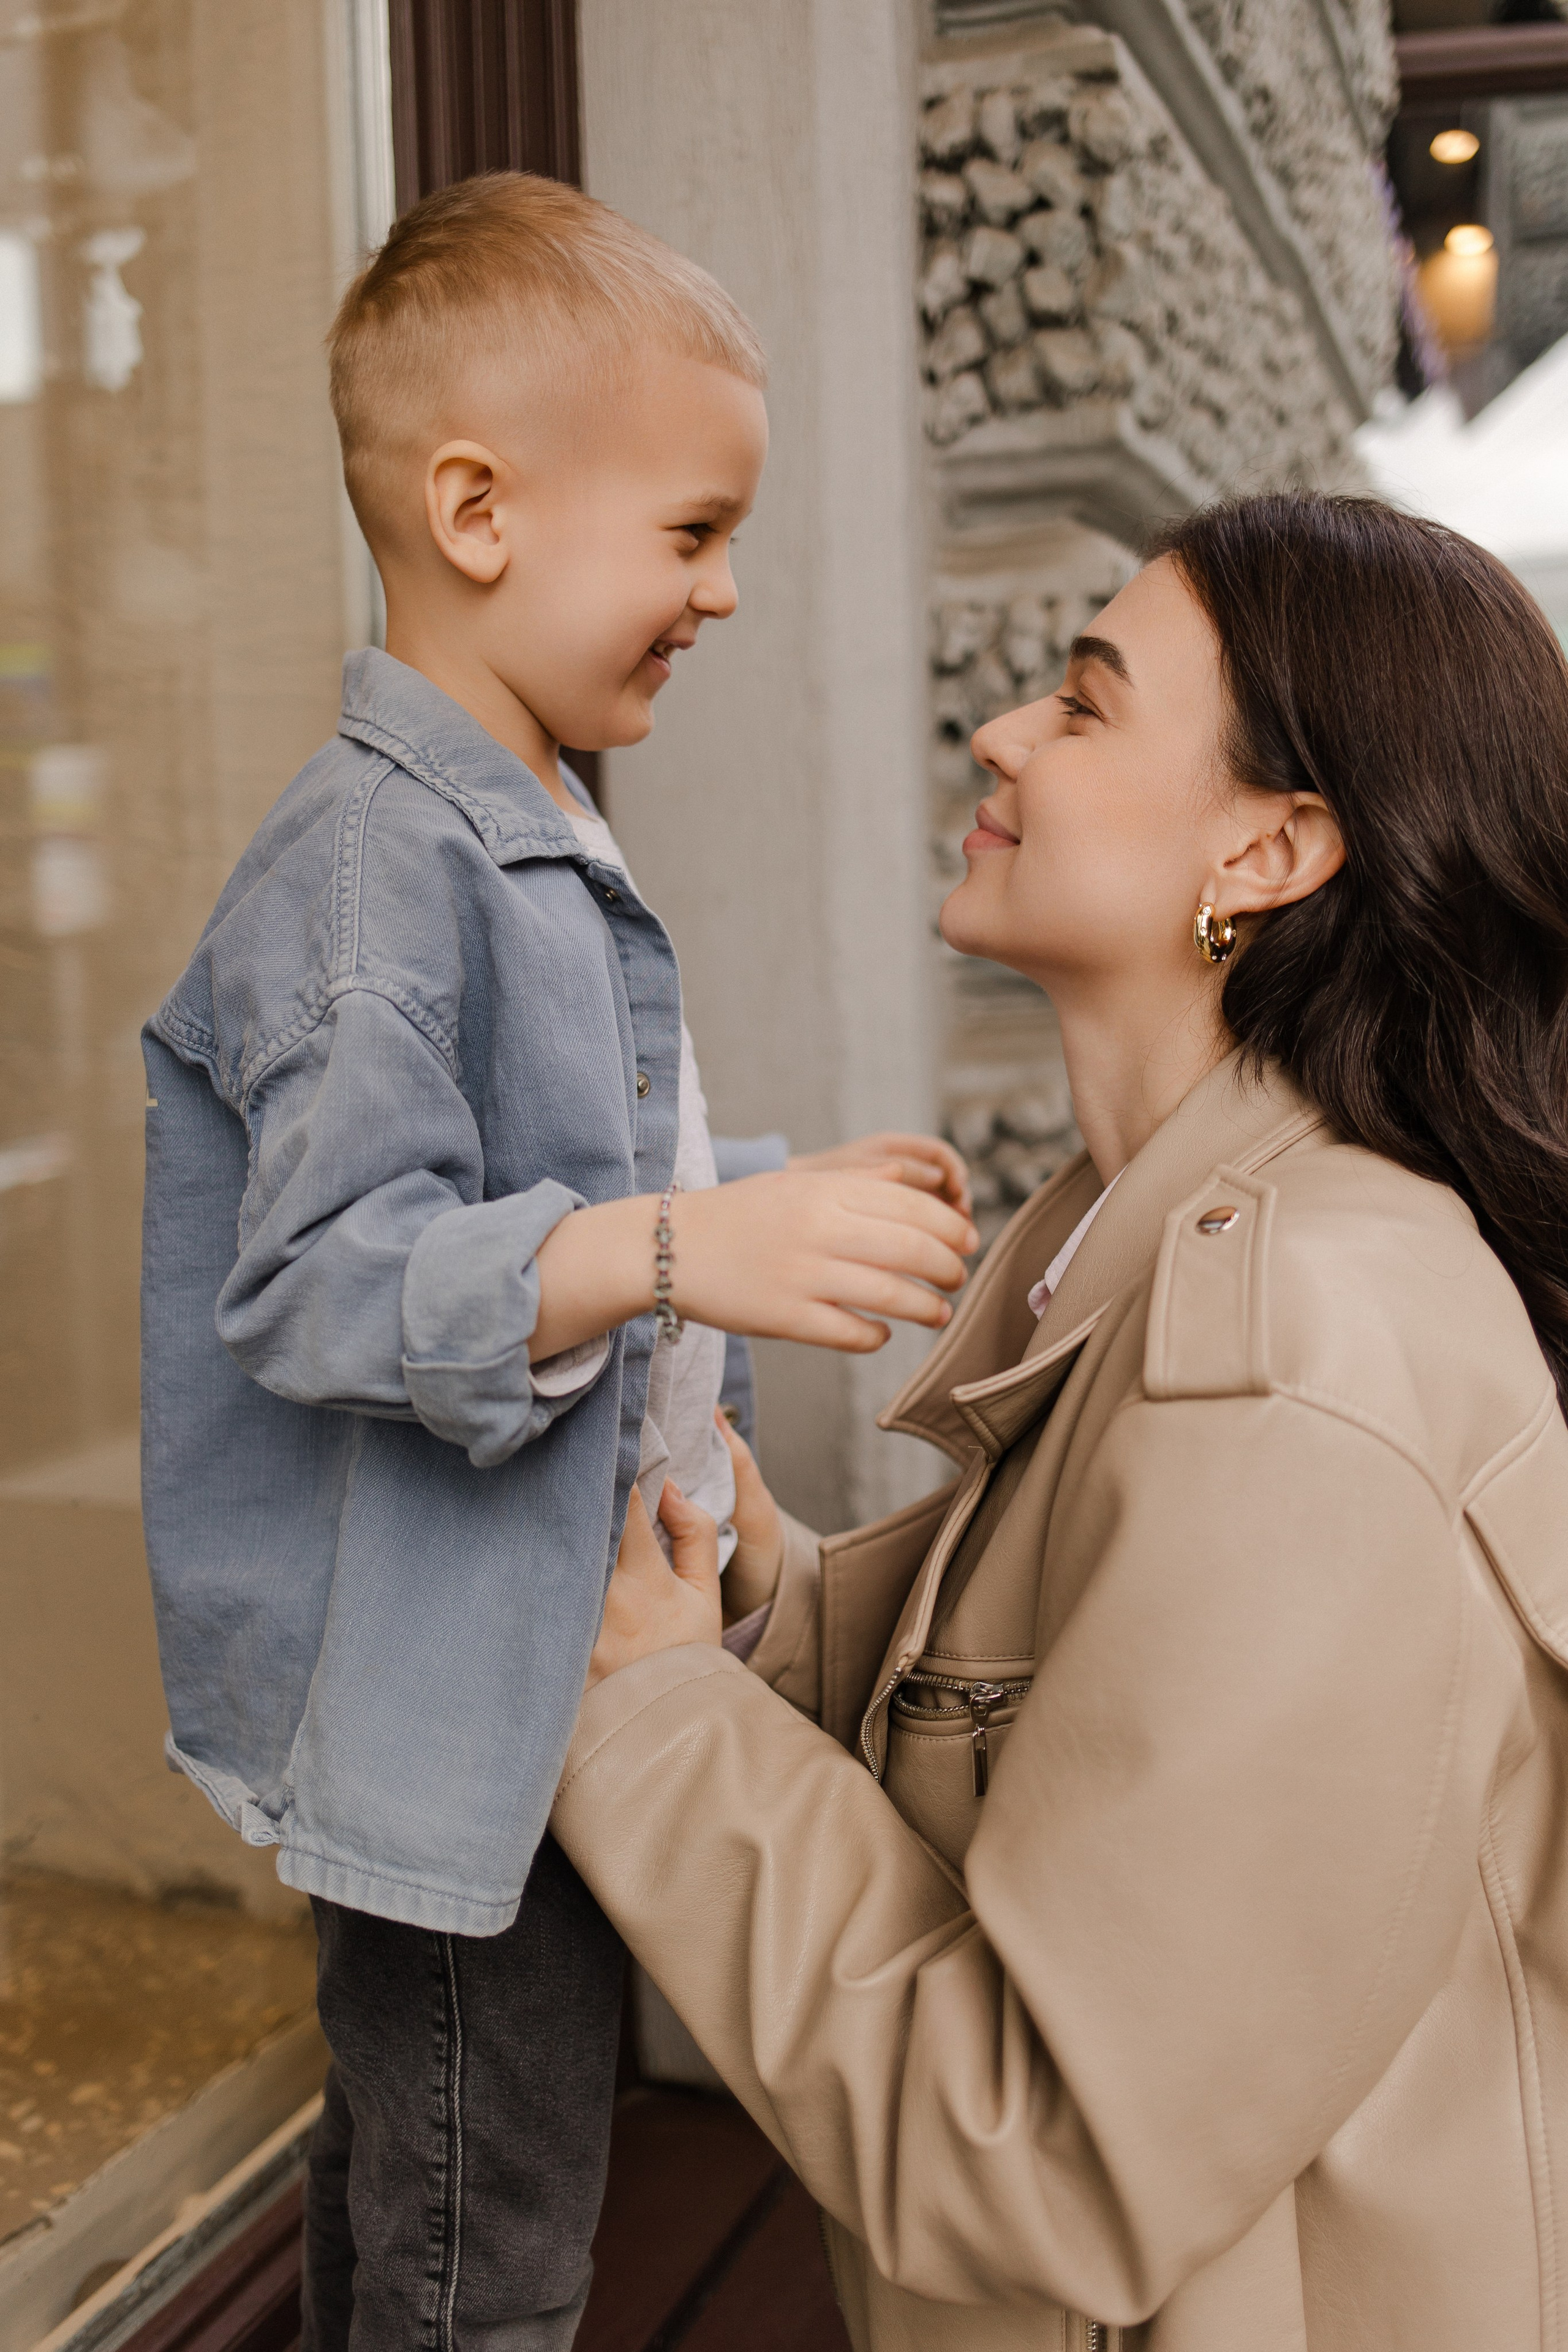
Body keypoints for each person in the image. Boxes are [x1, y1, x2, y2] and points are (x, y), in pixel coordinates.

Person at [552, 492, 1568, 2351]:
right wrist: (778, 1606)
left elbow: (1043, 2156)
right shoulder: (1178, 1255)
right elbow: (1080, 1725)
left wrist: (656, 1722)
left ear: (1268, 848)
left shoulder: (1297, 1367)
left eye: (1087, 704)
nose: (1004, 733)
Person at [138, 173, 974, 2351]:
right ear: (482, 512)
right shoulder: (366, 872)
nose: (720, 593)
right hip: (452, 1715)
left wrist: (778, 1197)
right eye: (690, 535)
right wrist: (701, 1240)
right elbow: (329, 1275)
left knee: (434, 2178)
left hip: (540, 1677)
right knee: (475, 2242)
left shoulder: (533, 812)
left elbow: (562, 1167)